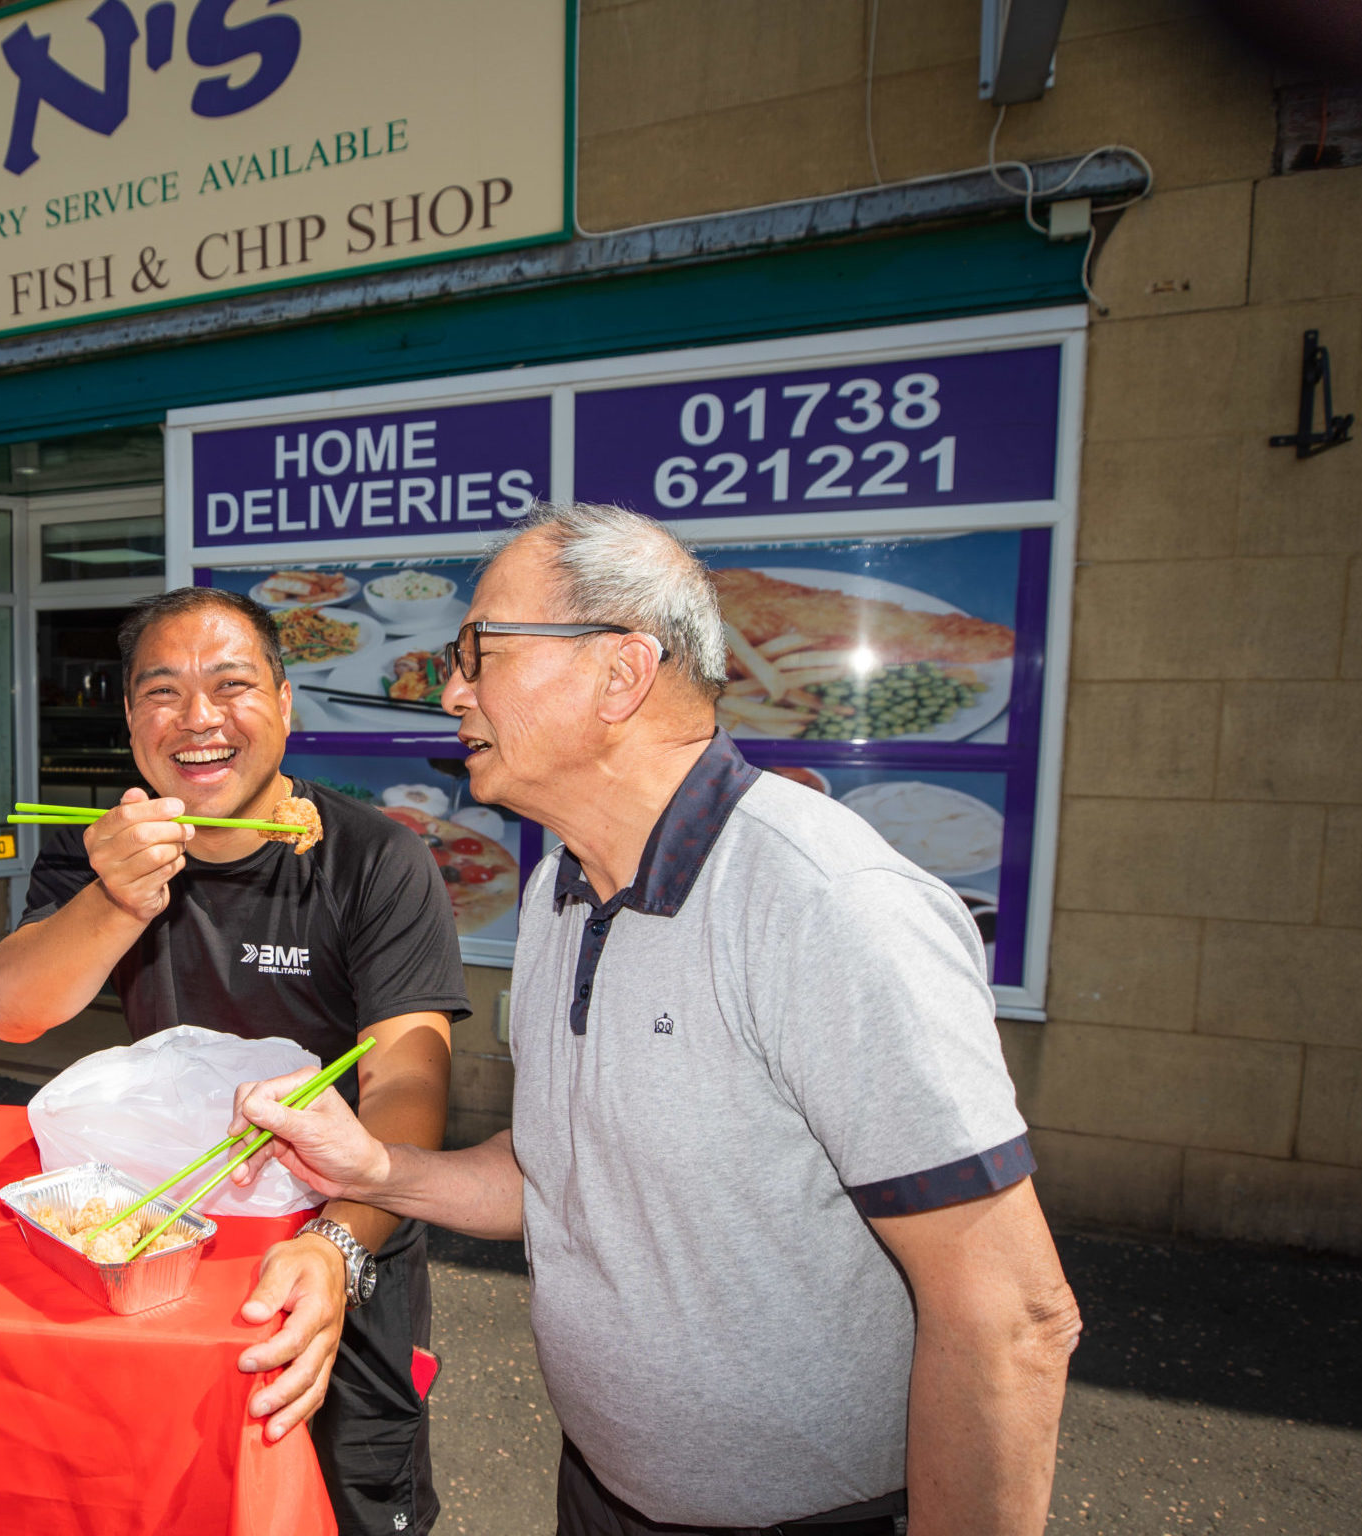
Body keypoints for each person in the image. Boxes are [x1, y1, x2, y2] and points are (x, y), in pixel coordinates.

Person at [227, 504, 1083, 1536]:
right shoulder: (558, 893)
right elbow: (566, 1171)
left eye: (478, 652)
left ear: (620, 673)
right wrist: (372, 1172)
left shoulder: (825, 902)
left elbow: (1011, 1317)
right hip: (601, 1493)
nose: (451, 689)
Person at [0, 587, 462, 1536]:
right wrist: (116, 898)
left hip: (337, 1253)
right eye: (163, 692)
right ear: (130, 720)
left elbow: (406, 1083)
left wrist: (335, 1247)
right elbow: (12, 1012)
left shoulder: (375, 858)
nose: (198, 718)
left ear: (284, 704)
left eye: (232, 685)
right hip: (165, 1257)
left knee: (353, 1507)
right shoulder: (107, 851)